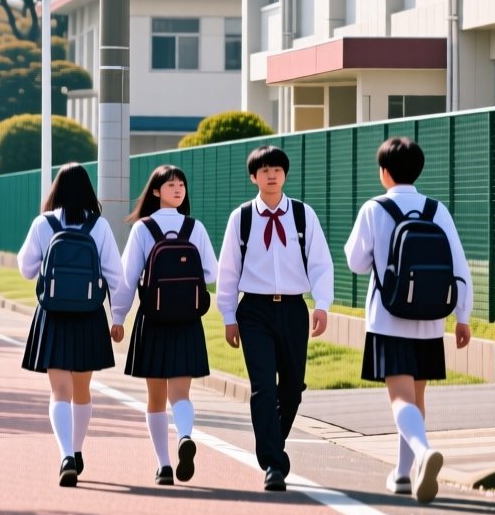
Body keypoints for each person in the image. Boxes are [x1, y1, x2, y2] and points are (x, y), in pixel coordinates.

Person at [344, 137, 473, 504]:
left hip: (388, 318)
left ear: (384, 172)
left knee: (399, 399)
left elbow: (355, 262)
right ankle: (403, 475)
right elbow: (459, 266)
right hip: (431, 320)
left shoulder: (374, 208)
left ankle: (423, 452)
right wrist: (462, 317)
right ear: (418, 170)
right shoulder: (437, 209)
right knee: (416, 398)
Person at [218, 145, 335, 493]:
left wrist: (323, 304)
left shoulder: (302, 215)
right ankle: (272, 463)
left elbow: (320, 263)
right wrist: (228, 315)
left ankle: (272, 445)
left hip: (294, 309)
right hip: (253, 310)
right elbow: (228, 270)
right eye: (264, 170)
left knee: (292, 390)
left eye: (278, 169)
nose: (272, 175)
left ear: (285, 175)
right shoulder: (241, 217)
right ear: (253, 176)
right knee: (264, 388)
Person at [110, 165, 218, 487]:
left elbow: (128, 278)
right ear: (156, 191)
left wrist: (118, 317)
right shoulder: (194, 228)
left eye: (181, 184)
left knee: (155, 398)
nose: (178, 189)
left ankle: (164, 465)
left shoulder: (143, 229)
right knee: (181, 393)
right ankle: (184, 434)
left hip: (153, 319)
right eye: (171, 184)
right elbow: (210, 274)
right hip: (187, 319)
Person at [19, 163, 125, 488]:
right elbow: (116, 277)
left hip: (52, 313)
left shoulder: (43, 223)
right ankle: (77, 451)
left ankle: (65, 454)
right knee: (81, 390)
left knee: (58, 392)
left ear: (57, 190)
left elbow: (25, 268)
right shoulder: (100, 226)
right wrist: (117, 315)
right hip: (89, 312)